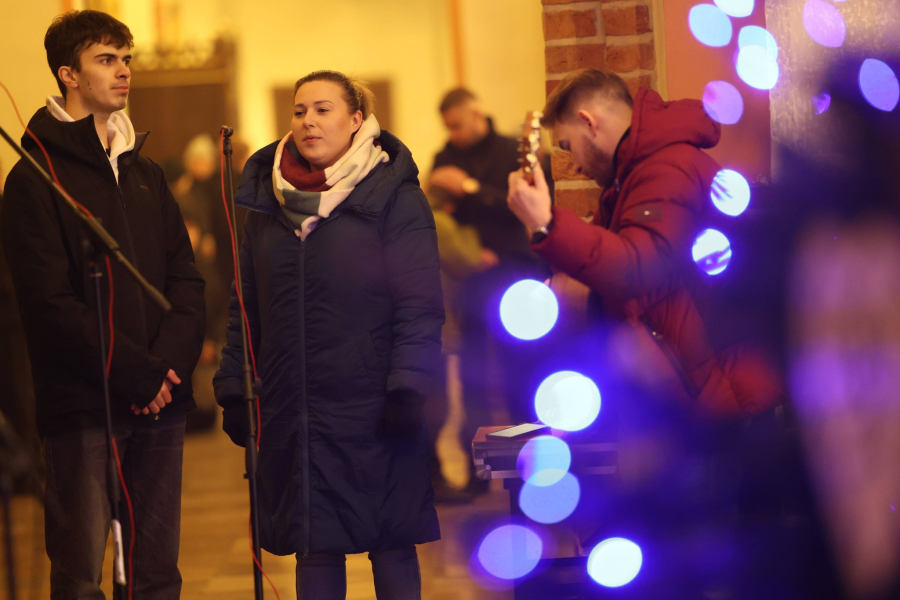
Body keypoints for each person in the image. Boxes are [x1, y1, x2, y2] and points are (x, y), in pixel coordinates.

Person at [214, 70, 443, 600]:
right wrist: (234, 386)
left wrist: (409, 388)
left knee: (389, 538)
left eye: (323, 109)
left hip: (375, 403)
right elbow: (245, 307)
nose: (308, 122)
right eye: (299, 111)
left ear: (356, 119)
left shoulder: (395, 197)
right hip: (296, 406)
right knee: (313, 542)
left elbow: (419, 303)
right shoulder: (267, 204)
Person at [0, 9, 205, 599]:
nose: (124, 72)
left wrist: (167, 369)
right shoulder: (34, 177)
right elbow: (50, 306)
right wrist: (137, 374)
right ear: (69, 74)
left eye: (127, 59)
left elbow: (186, 281)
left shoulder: (145, 171)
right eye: (107, 60)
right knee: (80, 576)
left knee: (156, 576)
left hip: (160, 400)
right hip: (85, 409)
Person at [507, 68, 780, 418]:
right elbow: (606, 269)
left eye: (567, 146)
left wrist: (547, 223)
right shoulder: (631, 178)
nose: (573, 167)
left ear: (588, 122)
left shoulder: (667, 168)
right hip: (695, 387)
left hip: (724, 395)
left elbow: (638, 269)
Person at [431, 88, 547, 480]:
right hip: (471, 283)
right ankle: (479, 474)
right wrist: (466, 249)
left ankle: (528, 465)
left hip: (515, 276)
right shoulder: (444, 159)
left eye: (457, 125)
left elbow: (521, 208)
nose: (453, 134)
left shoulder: (512, 152)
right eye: (448, 127)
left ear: (477, 115)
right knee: (473, 380)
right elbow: (437, 214)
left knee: (521, 373)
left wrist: (469, 189)